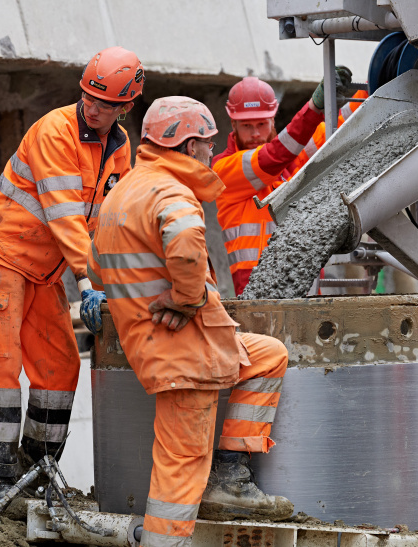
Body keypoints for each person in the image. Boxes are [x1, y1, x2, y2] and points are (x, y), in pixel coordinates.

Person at [87, 97, 292, 546]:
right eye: (209, 143)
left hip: (175, 344)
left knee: (269, 356)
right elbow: (183, 246)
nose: (212, 153)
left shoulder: (122, 192)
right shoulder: (172, 191)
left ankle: (229, 475)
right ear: (190, 143)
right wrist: (186, 298)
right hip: (183, 351)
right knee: (178, 476)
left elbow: (97, 270)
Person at [0, 46, 144, 515]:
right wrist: (88, 281)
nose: (92, 106)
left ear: (126, 107)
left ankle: (33, 471)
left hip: (43, 270)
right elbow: (65, 214)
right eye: (88, 95)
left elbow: (109, 220)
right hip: (3, 255)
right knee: (0, 369)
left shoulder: (120, 148)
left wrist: (118, 279)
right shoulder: (55, 131)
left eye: (104, 103)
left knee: (61, 367)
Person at [213, 69, 352, 295]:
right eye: (247, 126)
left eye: (261, 124)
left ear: (272, 120)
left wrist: (377, 83)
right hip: (258, 293)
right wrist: (314, 108)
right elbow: (273, 156)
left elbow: (339, 128)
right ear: (233, 125)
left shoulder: (289, 164)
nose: (255, 134)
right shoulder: (225, 170)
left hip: (305, 289)